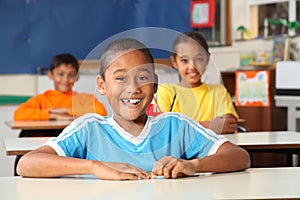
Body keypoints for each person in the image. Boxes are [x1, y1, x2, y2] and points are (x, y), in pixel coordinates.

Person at [17, 38, 250, 180]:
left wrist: (194, 164)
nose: (133, 88)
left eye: (142, 77)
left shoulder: (175, 125)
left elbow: (240, 157)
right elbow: (27, 163)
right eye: (120, 78)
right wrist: (95, 167)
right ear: (102, 85)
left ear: (155, 84)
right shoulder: (88, 129)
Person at [149, 31, 238, 134]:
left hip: (212, 149)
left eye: (199, 59)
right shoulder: (166, 91)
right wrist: (210, 125)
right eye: (184, 60)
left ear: (208, 59)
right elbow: (162, 128)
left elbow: (228, 125)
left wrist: (182, 127)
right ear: (174, 62)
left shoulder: (218, 91)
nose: (192, 67)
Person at [14, 53, 107, 122]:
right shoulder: (42, 99)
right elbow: (18, 114)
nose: (65, 79)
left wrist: (66, 111)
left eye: (71, 75)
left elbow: (101, 111)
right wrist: (53, 115)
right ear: (50, 75)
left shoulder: (84, 99)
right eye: (60, 74)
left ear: (77, 77)